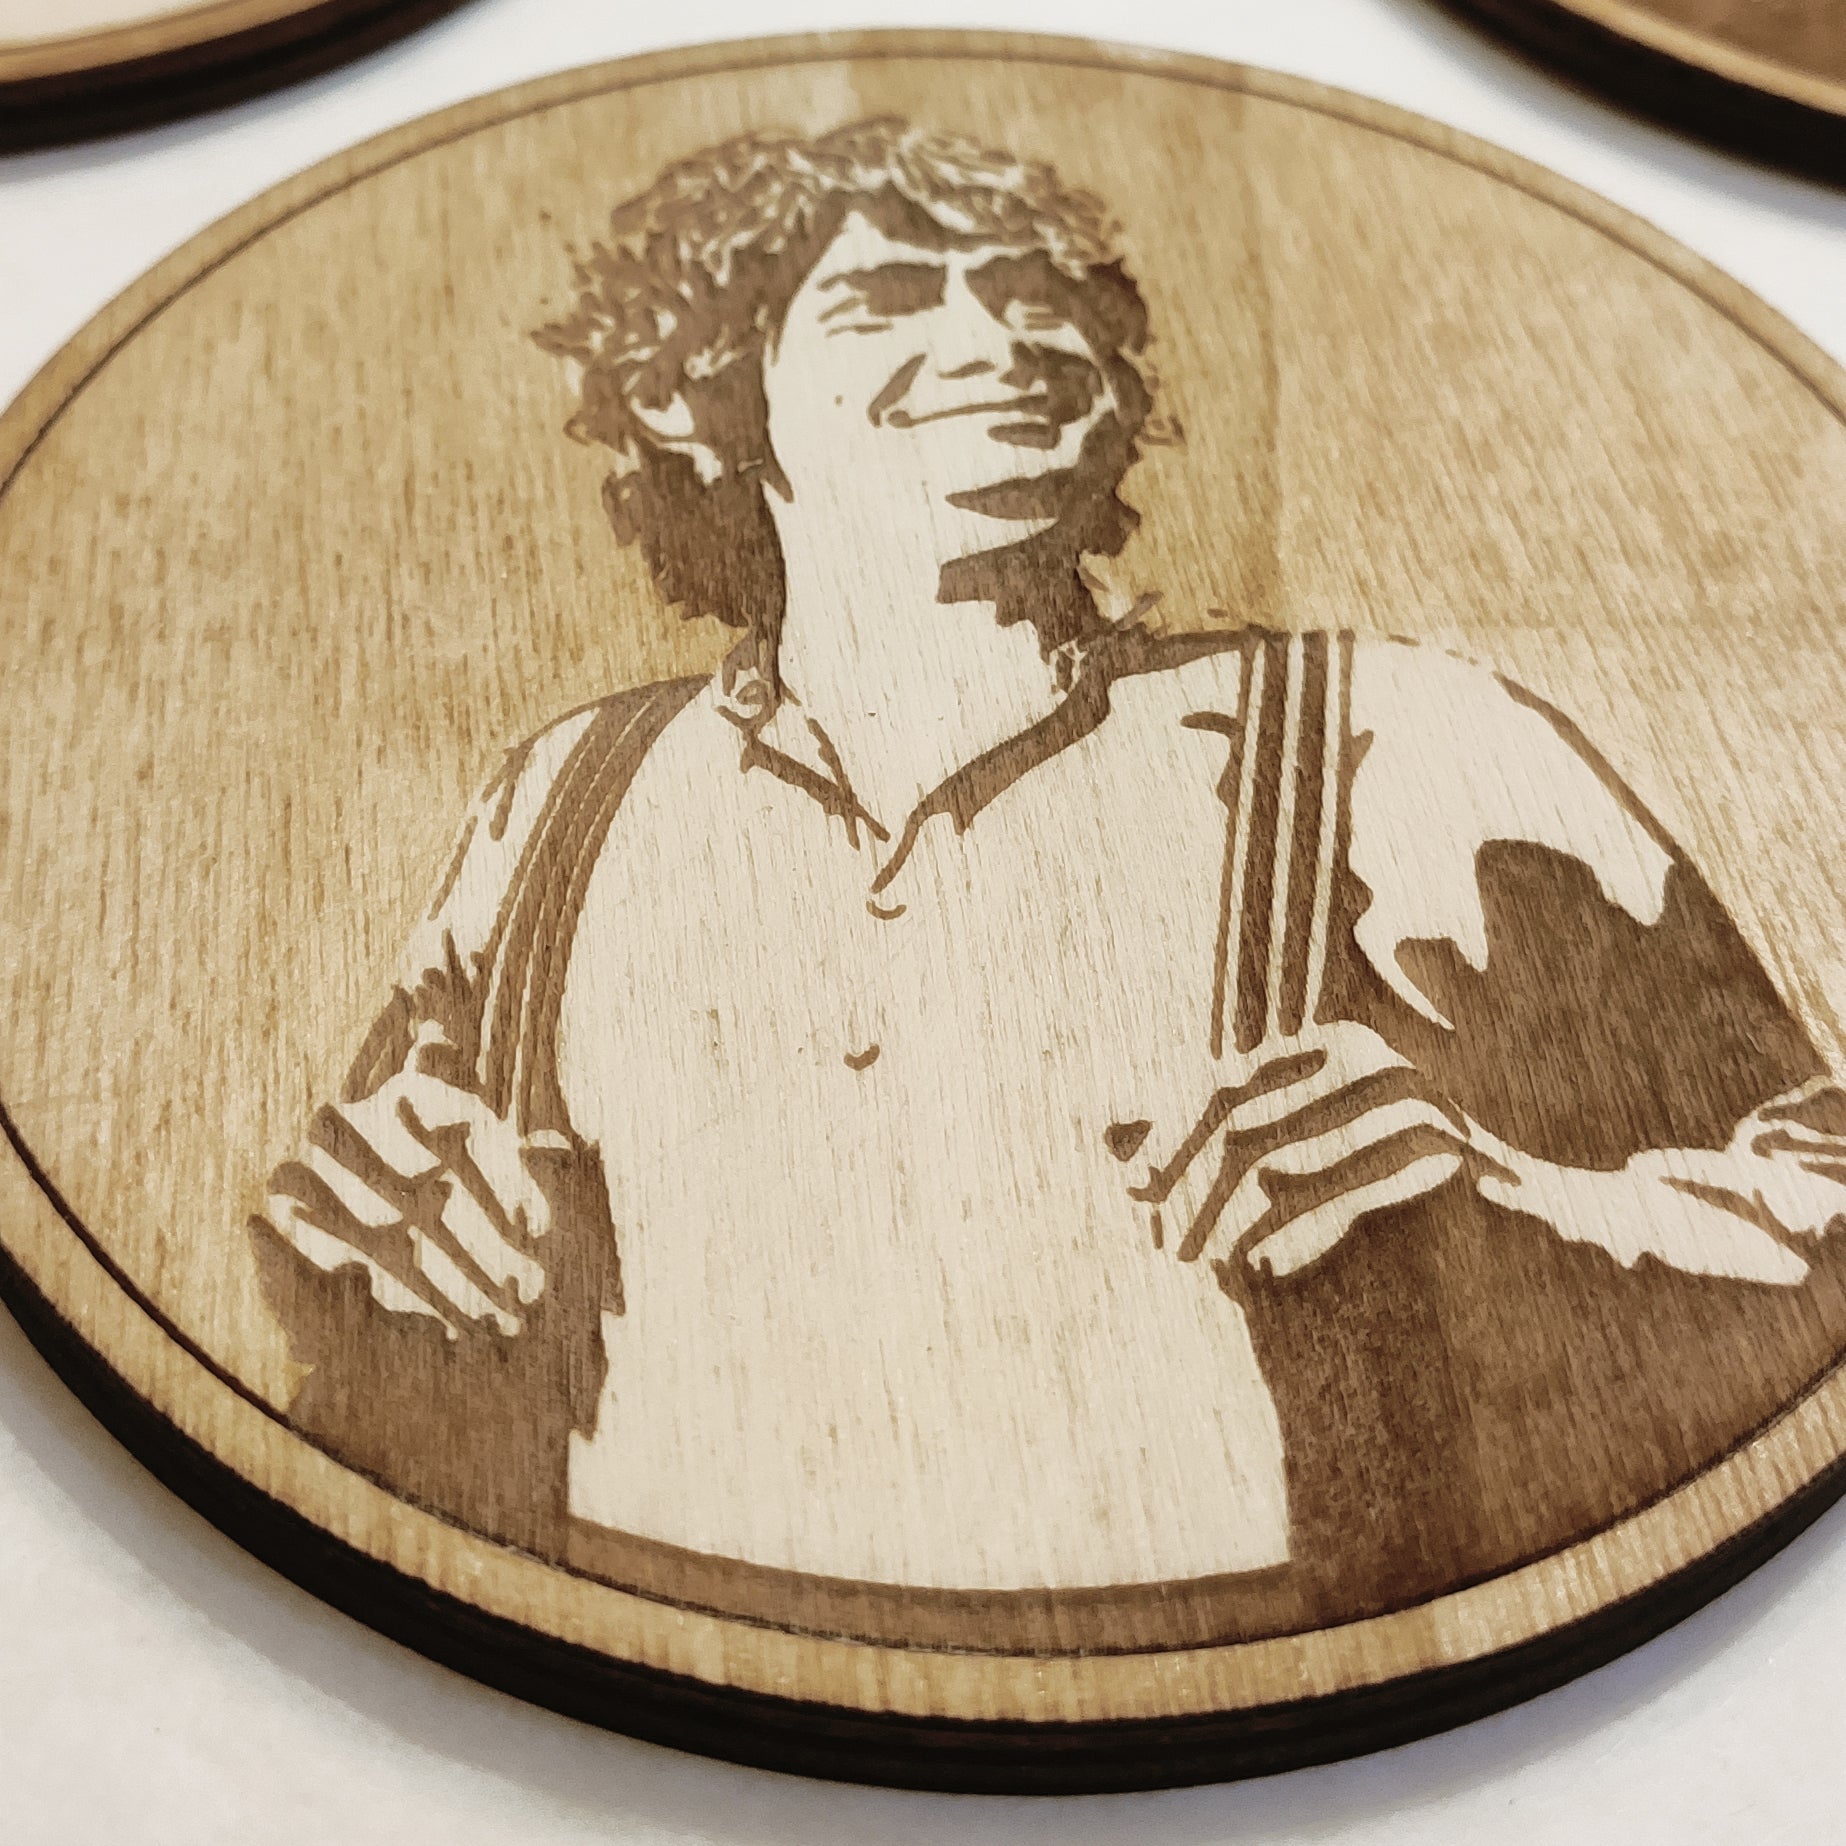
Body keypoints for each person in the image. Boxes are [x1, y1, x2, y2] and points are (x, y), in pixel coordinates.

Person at [252, 118, 1846, 1640]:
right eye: (893, 296)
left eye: (1034, 296)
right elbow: (377, 1218)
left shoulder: (1394, 737)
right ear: (695, 397)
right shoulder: (563, 793)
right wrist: (350, 1233)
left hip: (1274, 1707)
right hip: (610, 1675)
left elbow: (1821, 1193)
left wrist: (1517, 1215)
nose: (1002, 341)